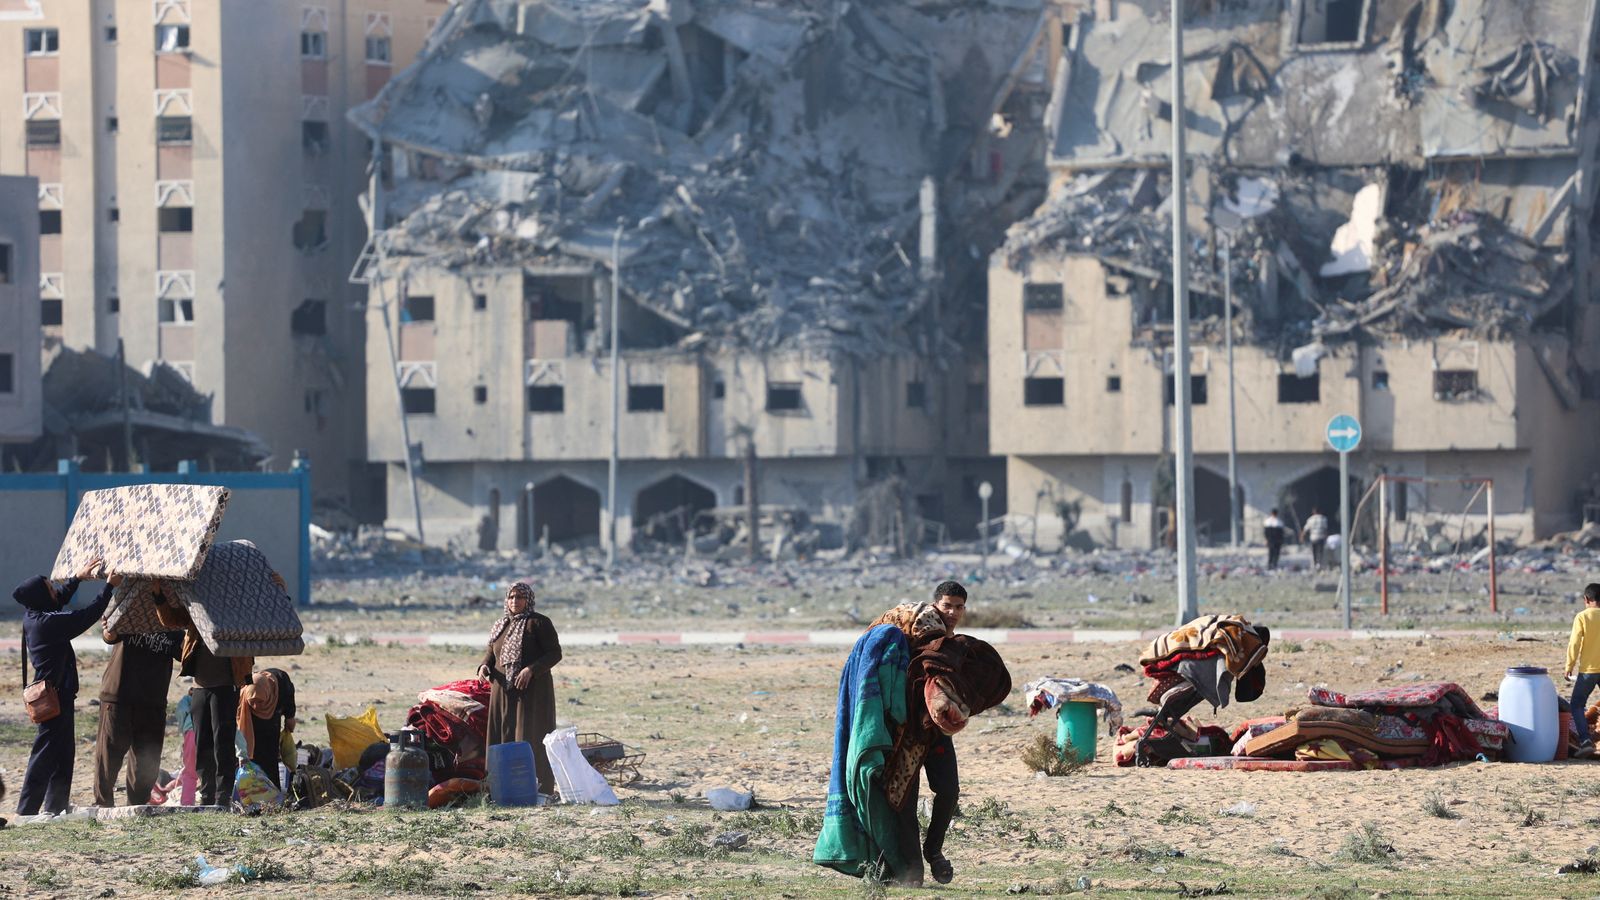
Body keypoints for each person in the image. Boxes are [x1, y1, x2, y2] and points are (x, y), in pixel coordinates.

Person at [13, 559, 118, 816]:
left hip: (60, 695)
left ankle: (55, 806)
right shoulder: (46, 624)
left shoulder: (35, 616)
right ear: (40, 596)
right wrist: (109, 588)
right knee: (45, 756)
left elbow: (57, 601)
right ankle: (26, 811)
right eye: (49, 587)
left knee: (62, 755)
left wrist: (77, 578)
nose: (54, 590)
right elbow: (85, 617)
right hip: (54, 698)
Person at [154, 589, 253, 806]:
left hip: (225, 688)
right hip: (199, 689)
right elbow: (170, 619)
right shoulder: (196, 610)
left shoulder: (238, 612)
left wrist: (279, 589)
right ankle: (207, 795)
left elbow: (263, 615)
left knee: (223, 744)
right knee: (203, 745)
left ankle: (223, 796)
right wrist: (159, 595)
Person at [477, 582, 563, 796]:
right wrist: (484, 666)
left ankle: (538, 789)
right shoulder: (500, 624)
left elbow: (554, 654)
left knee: (530, 736)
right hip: (502, 692)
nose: (515, 601)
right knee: (502, 735)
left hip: (532, 692)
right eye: (511, 597)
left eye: (520, 597)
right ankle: (499, 788)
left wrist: (531, 670)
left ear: (528, 600)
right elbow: (492, 652)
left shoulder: (539, 623)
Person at [93, 624, 182, 808]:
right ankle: (103, 805)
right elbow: (109, 636)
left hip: (153, 700)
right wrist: (109, 628)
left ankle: (138, 806)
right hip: (119, 695)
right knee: (109, 755)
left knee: (146, 759)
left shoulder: (171, 620)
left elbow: (186, 655)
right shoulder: (130, 610)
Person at [238, 668, 296, 788]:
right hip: (253, 723)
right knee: (255, 754)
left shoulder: (281, 682)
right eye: (252, 702)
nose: (256, 705)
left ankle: (273, 792)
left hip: (273, 717)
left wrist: (290, 716)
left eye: (259, 702)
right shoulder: (245, 694)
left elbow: (289, 702)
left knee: (271, 755)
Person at [1565, 584, 1600, 759]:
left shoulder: (1582, 617)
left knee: (1577, 704)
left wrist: (1569, 666)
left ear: (1586, 599)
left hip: (1589, 670)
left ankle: (1585, 741)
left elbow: (1575, 643)